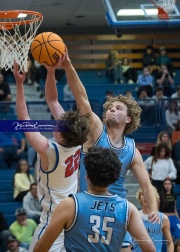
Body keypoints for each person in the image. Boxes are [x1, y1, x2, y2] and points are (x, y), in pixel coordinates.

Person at [45, 51, 159, 251]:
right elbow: (82, 99)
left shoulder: (132, 149)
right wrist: (69, 66)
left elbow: (147, 185)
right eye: (110, 108)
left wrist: (154, 209)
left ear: (129, 119)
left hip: (116, 211)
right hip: (87, 206)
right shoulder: (97, 131)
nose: (112, 110)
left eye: (118, 108)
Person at [13, 60, 91, 252]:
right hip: (73, 215)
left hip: (53, 219)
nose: (55, 124)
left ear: (62, 134)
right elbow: (53, 101)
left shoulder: (49, 150)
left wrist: (20, 85)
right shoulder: (77, 141)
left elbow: (24, 119)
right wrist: (50, 71)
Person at [33, 147, 156, 252]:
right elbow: (150, 249)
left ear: (86, 176)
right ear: (113, 178)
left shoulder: (70, 205)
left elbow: (41, 248)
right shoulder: (128, 209)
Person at [132, 187, 174, 251]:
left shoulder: (163, 218)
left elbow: (170, 243)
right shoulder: (134, 217)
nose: (146, 197)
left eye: (149, 194)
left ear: (154, 197)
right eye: (143, 194)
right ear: (140, 197)